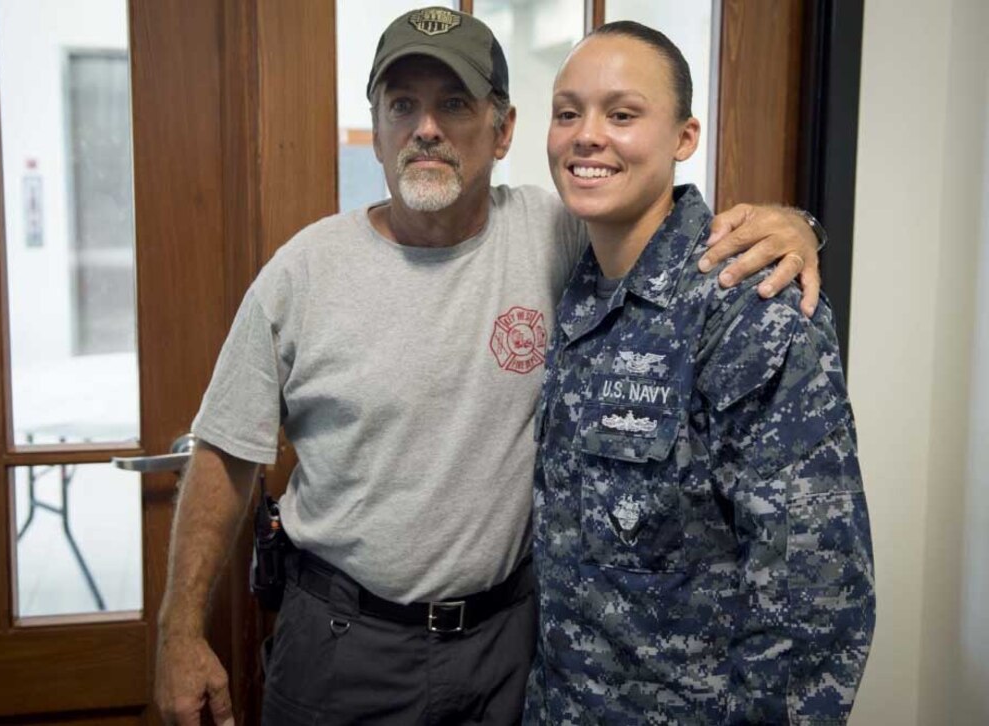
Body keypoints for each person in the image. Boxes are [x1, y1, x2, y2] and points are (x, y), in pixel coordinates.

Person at [154, 8, 825, 726]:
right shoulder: (304, 272)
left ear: (503, 131)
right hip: (343, 648)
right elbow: (226, 455)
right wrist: (178, 633)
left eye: (454, 105)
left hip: (511, 653)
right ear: (378, 125)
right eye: (402, 105)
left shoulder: (559, 233)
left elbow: (663, 230)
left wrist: (794, 225)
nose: (427, 128)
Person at [524, 21, 875, 725]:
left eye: (623, 114)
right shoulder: (574, 285)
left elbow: (814, 597)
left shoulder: (752, 309)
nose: (587, 135)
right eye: (568, 112)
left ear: (685, 138)